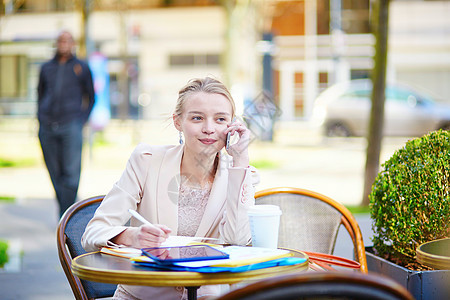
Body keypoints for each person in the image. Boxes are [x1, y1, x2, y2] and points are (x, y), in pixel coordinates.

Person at [82, 77, 259, 300]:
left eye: (220, 119)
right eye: (197, 118)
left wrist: (240, 159)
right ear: (178, 121)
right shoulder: (146, 161)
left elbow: (238, 239)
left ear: (231, 126)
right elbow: (93, 232)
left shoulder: (241, 174)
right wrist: (133, 236)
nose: (209, 129)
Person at [37, 30, 95, 217]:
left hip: (71, 125)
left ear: (73, 44)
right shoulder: (46, 68)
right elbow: (40, 94)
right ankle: (67, 214)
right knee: (55, 173)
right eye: (61, 40)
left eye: (68, 41)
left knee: (70, 174)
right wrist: (40, 116)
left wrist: (81, 121)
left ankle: (66, 216)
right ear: (57, 43)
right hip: (47, 126)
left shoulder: (81, 67)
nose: (64, 44)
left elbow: (91, 97)